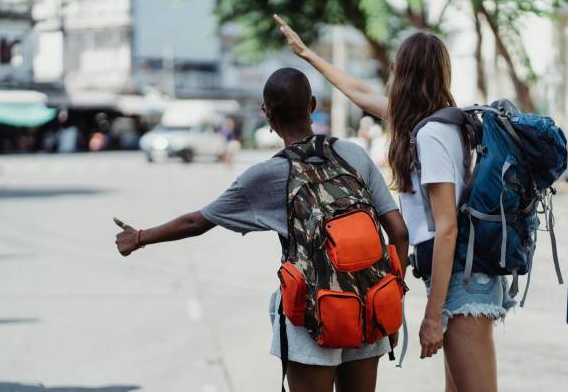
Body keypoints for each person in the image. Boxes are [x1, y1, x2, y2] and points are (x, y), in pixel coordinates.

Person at [114, 67, 409, 392]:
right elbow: (398, 231)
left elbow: (196, 222)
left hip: (314, 317)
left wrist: (140, 237)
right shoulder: (353, 154)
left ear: (267, 114)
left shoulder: (267, 175)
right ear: (312, 105)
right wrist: (392, 305)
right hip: (370, 304)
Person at [274, 14, 514, 392]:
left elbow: (446, 226)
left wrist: (432, 316)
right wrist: (306, 54)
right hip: (457, 277)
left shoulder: (433, 135)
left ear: (403, 72)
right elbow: (357, 91)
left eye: (395, 63)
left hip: (462, 281)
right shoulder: (431, 123)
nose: (389, 69)